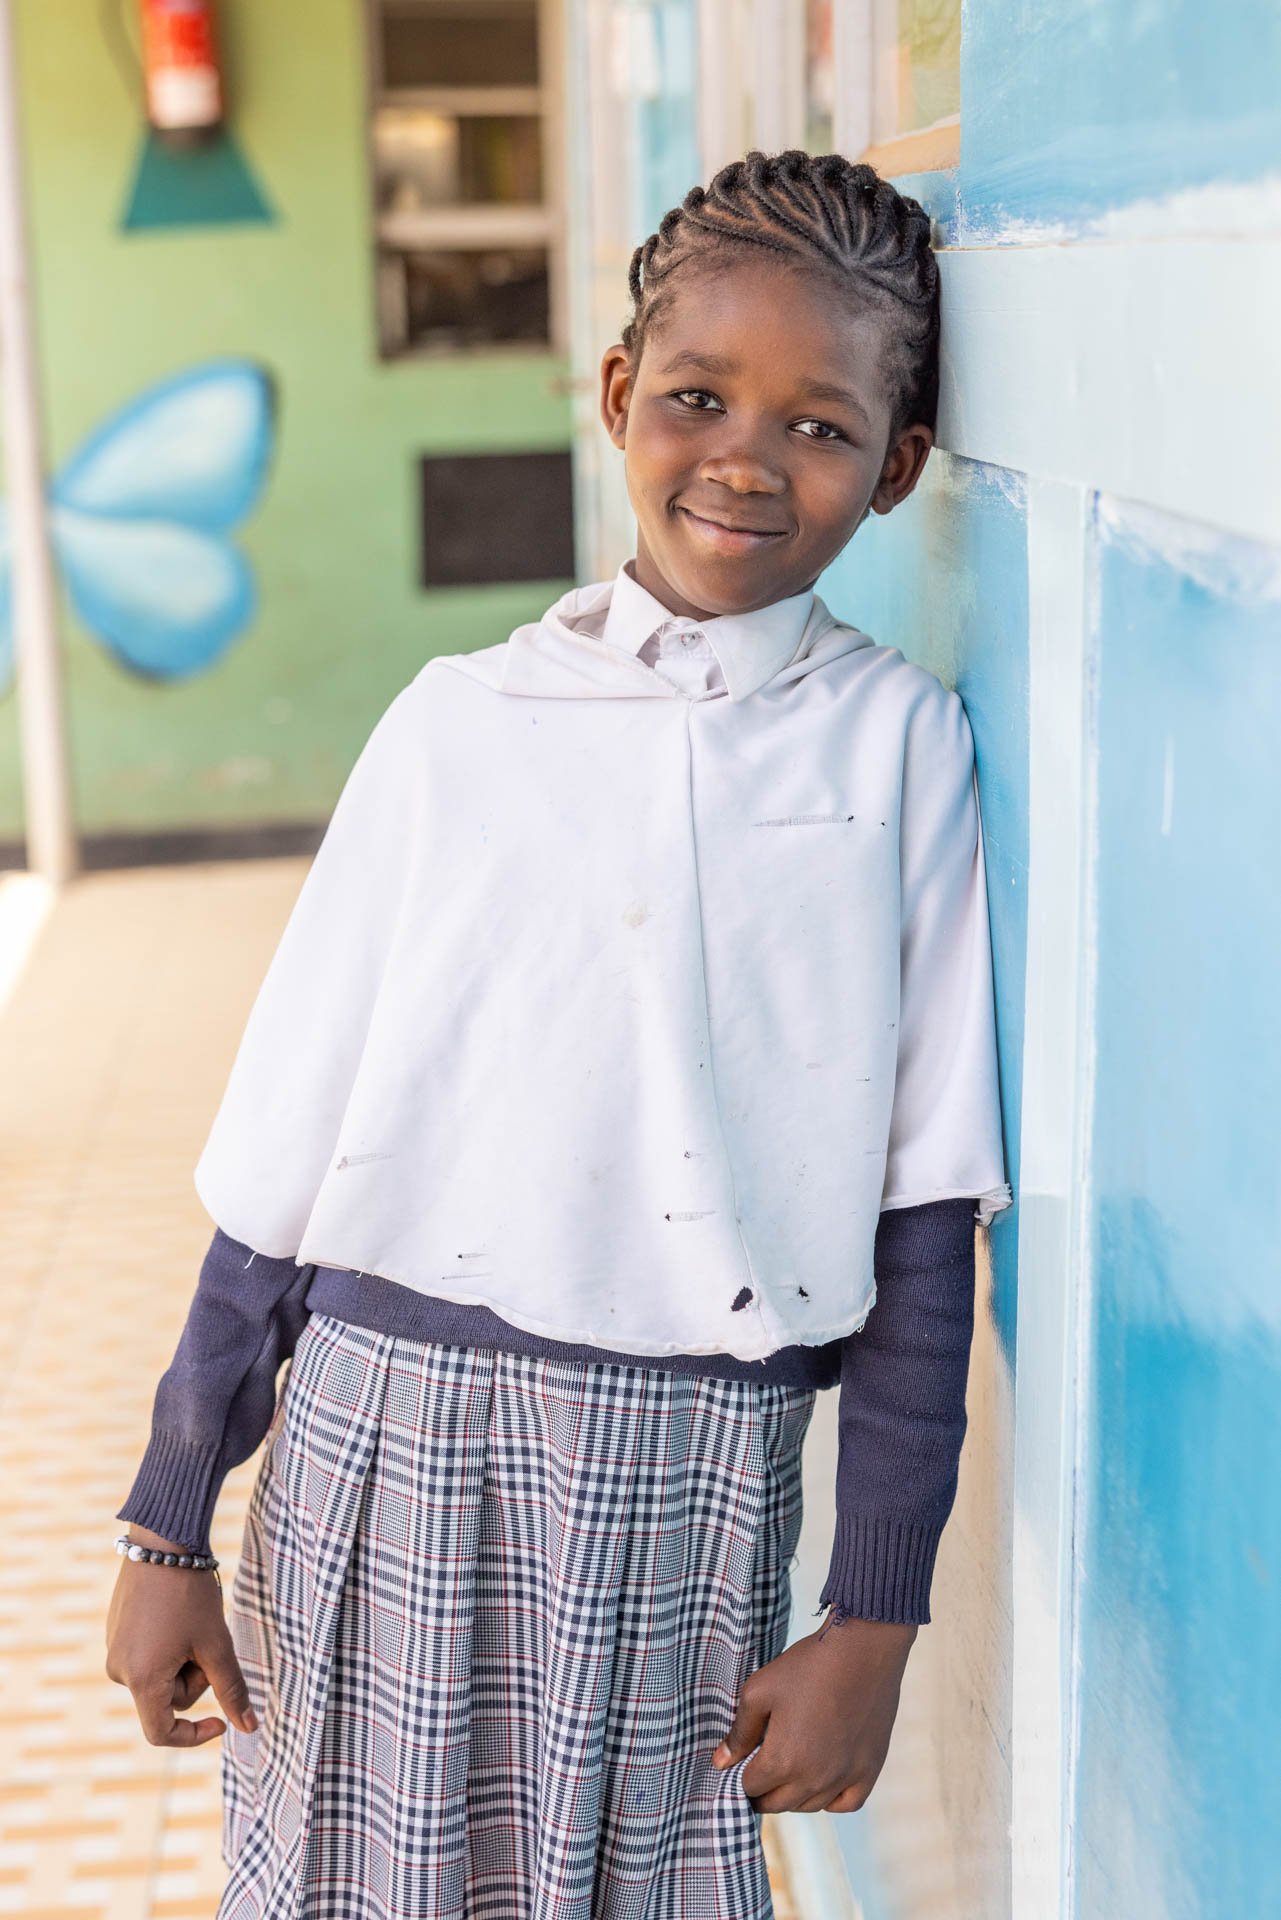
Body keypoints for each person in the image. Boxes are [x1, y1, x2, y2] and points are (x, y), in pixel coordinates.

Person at [105, 148, 1011, 1920]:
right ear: (616, 397)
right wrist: (166, 1516)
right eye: (697, 398)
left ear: (898, 468)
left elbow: (922, 1207)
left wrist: (877, 1614)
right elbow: (285, 1155)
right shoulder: (458, 726)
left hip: (688, 1484)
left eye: (819, 427)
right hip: (378, 1443)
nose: (745, 459)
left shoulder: (897, 750)